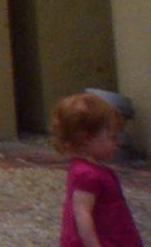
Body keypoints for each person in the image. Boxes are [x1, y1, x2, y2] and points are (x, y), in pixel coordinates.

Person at [58, 90, 143, 247]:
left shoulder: (89, 169)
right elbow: (82, 214)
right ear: (86, 138)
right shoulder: (87, 174)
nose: (117, 143)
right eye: (111, 137)